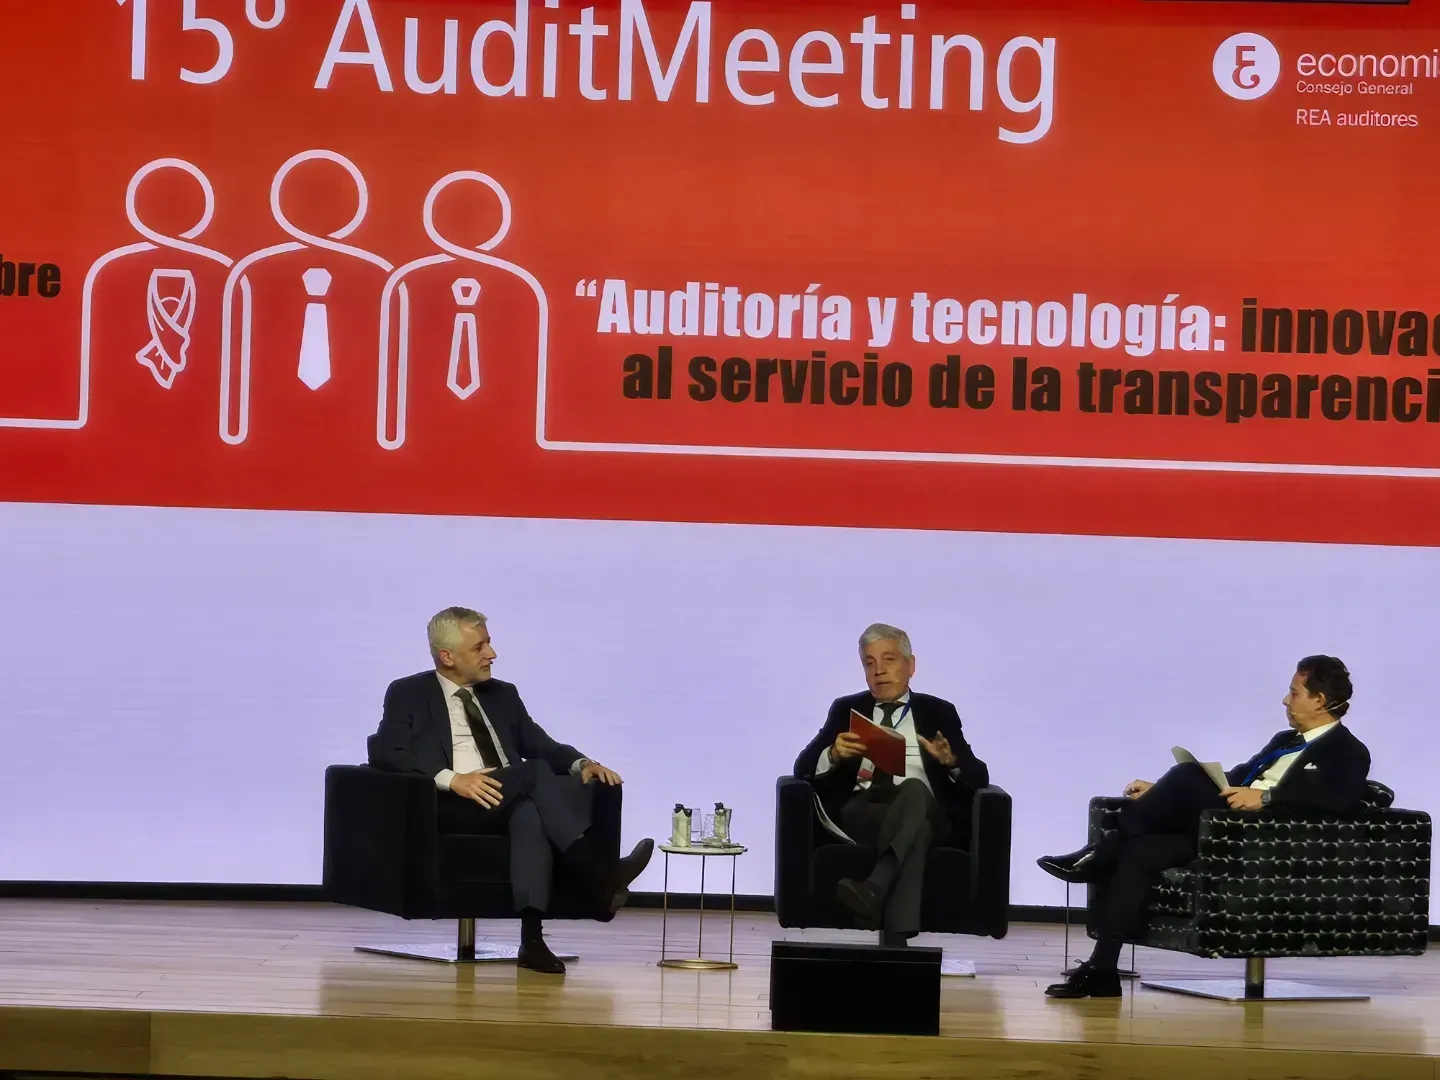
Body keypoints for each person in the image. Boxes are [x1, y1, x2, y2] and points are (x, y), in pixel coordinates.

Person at [1037, 655, 1370, 999]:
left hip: (1262, 842)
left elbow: (1338, 801)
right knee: (1141, 850)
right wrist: (1160, 792)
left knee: (1186, 775)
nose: (1286, 701)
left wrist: (1267, 799)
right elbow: (1236, 778)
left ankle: (1102, 852)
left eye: (1294, 692)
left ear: (1320, 699)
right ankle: (1103, 970)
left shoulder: (1348, 751)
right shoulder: (1284, 740)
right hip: (1218, 830)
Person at [368, 606, 654, 975]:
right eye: (479, 647)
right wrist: (452, 778)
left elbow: (539, 743)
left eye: (489, 642)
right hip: (453, 802)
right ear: (447, 656)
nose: (492, 654)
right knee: (531, 775)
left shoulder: (502, 694)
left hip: (510, 794)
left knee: (530, 812)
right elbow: (384, 750)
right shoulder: (409, 692)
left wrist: (583, 763)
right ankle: (600, 874)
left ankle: (532, 943)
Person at [793, 623, 990, 946]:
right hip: (864, 812)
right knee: (918, 830)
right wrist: (832, 753)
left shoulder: (938, 712)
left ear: (911, 666)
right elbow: (802, 768)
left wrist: (950, 761)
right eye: (869, 663)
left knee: (914, 792)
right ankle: (896, 945)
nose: (879, 671)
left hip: (929, 808)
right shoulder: (846, 709)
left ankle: (872, 889)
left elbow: (979, 776)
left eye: (889, 660)